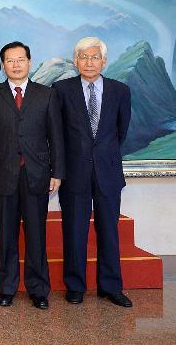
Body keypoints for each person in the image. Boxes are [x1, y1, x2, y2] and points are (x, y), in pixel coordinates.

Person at [0, 42, 64, 310]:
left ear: (29, 61)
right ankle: (7, 287)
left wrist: (57, 173)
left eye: (20, 60)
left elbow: (56, 138)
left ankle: (38, 289)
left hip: (37, 174)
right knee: (7, 235)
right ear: (3, 65)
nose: (15, 65)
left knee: (36, 235)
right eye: (10, 60)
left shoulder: (46, 95)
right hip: (3, 174)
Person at [53, 37, 133, 308]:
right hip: (74, 172)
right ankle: (75, 286)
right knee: (74, 230)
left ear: (104, 61)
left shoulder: (120, 91)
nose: (89, 62)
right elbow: (57, 135)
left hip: (107, 172)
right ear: (76, 61)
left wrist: (102, 156)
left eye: (94, 57)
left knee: (108, 230)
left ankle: (110, 287)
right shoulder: (61, 90)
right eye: (83, 57)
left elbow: (120, 132)